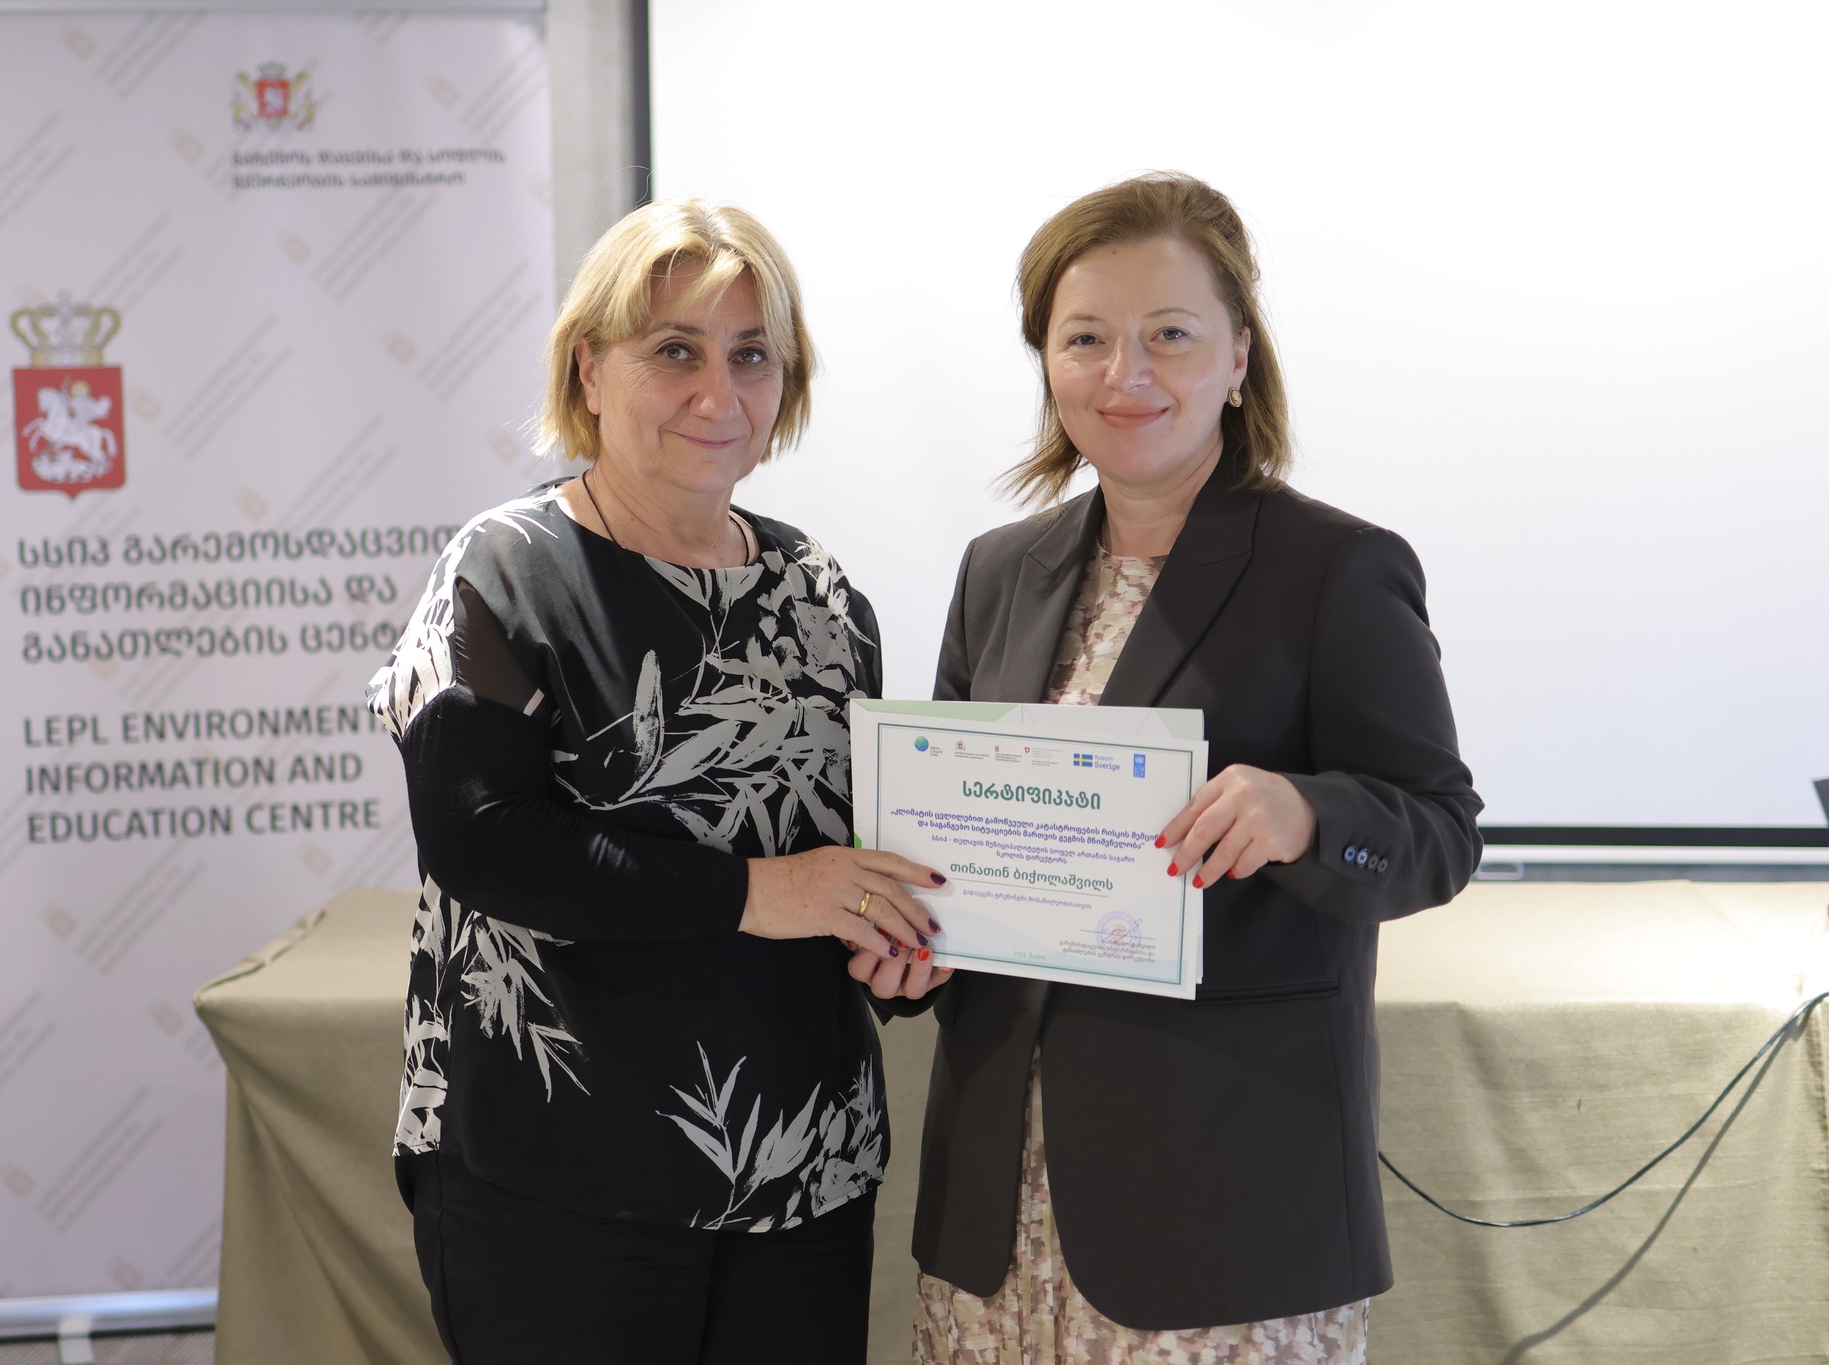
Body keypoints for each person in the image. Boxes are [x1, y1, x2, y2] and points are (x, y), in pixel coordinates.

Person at [854, 173, 1483, 1363]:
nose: (1123, 374)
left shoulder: (1333, 569)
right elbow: (951, 851)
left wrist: (1304, 812)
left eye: (1170, 336)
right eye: (1083, 338)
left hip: (1221, 1209)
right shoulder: (998, 570)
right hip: (999, 1219)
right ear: (1046, 360)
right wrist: (910, 947)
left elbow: (1439, 835)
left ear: (1238, 355)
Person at [368, 198, 944, 1365]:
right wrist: (761, 893)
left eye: (751, 356)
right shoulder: (507, 570)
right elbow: (480, 839)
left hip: (803, 1174)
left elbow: (852, 854)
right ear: (589, 368)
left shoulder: (821, 597)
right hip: (558, 1183)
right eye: (674, 351)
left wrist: (901, 952)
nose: (716, 393)